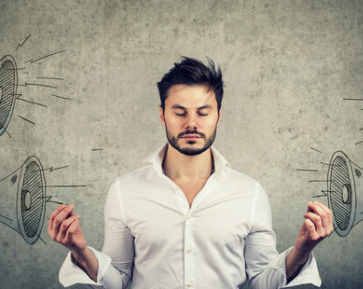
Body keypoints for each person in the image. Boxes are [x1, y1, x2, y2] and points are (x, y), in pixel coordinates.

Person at [48, 57, 333, 288]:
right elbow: (118, 280)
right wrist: (80, 250)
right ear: (162, 115)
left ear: (218, 115)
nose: (192, 123)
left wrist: (303, 249)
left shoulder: (250, 193)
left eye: (203, 112)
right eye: (180, 112)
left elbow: (261, 282)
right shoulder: (125, 191)